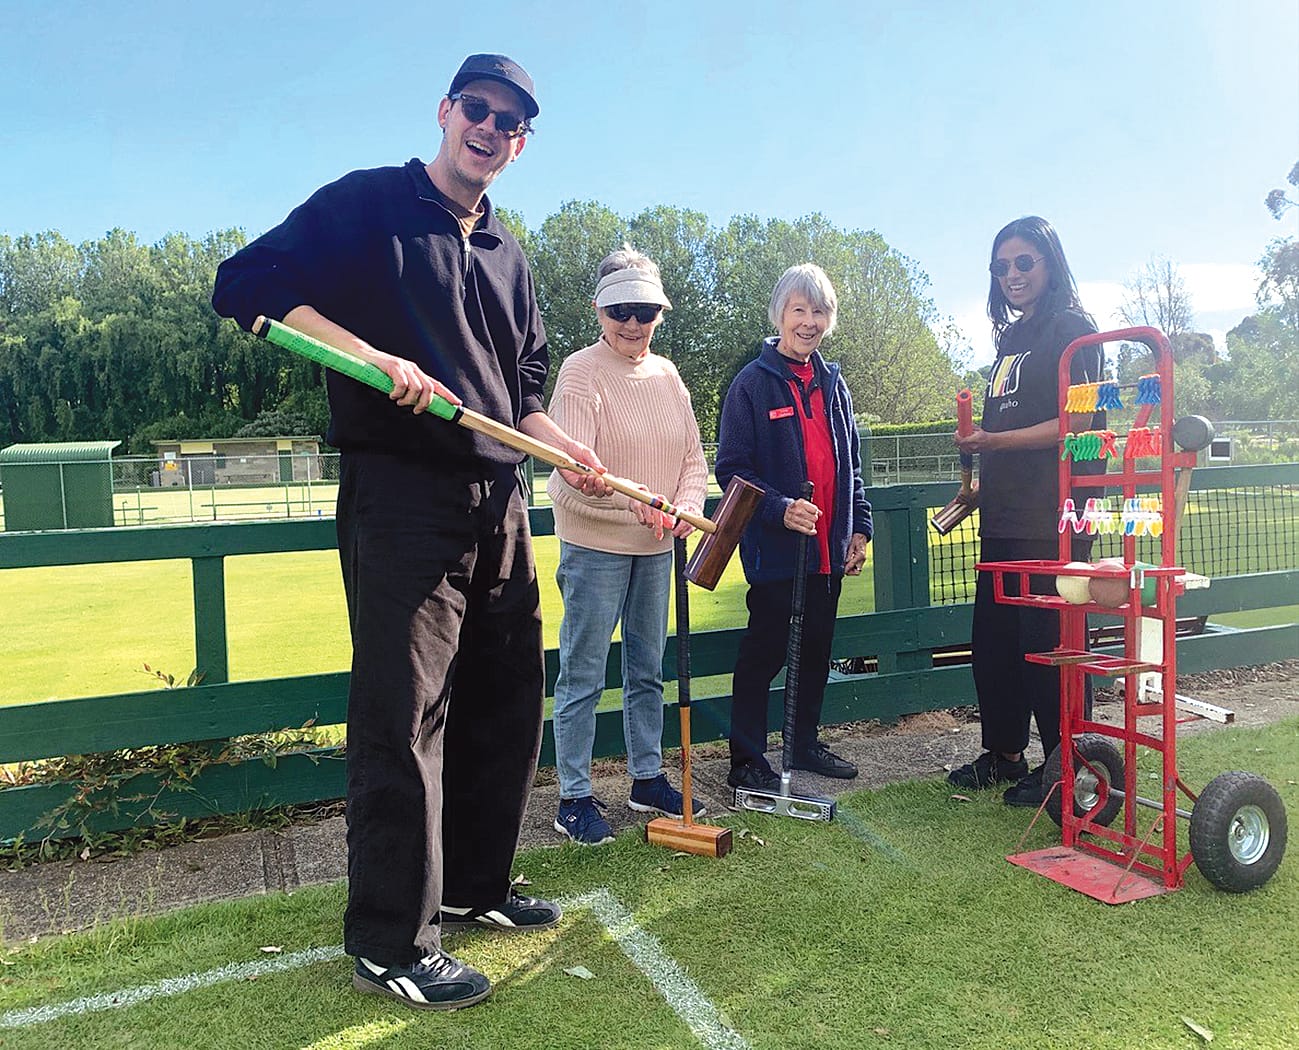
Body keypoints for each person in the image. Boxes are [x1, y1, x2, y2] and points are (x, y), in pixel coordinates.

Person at [212, 53, 612, 1012]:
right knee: (404, 714)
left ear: (522, 143)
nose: (490, 130)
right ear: (444, 112)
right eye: (477, 110)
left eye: (511, 123)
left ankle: (475, 886)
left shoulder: (509, 256)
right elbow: (246, 286)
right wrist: (367, 356)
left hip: (501, 499)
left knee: (507, 699)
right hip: (402, 498)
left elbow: (518, 395)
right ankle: (393, 941)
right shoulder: (366, 206)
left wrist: (571, 454)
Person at [546, 246, 710, 845]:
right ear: (599, 309)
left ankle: (647, 777)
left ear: (659, 313)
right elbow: (572, 468)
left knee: (647, 669)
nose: (633, 324)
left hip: (658, 544)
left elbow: (693, 456)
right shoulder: (579, 372)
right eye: (621, 310)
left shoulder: (668, 375)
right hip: (595, 544)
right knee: (583, 671)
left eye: (644, 310)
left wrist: (685, 507)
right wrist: (635, 501)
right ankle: (574, 796)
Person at [948, 216, 1104, 807]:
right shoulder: (1011, 338)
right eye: (1001, 266)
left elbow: (1080, 423)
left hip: (1056, 517)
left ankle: (1070, 767)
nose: (1011, 274)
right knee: (996, 640)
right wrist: (982, 482)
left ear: (1050, 263)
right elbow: (1011, 424)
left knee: (1050, 644)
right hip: (1005, 514)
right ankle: (1006, 754)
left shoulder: (1075, 329)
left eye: (1023, 262)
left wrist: (990, 442)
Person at [715, 263, 872, 792]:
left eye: (819, 311)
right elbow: (732, 469)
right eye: (799, 310)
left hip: (829, 553)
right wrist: (780, 508)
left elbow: (850, 466)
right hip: (776, 554)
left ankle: (802, 742)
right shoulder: (750, 385)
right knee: (765, 652)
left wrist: (860, 528)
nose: (809, 321)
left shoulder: (834, 383)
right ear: (780, 314)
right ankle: (747, 758)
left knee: (817, 650)